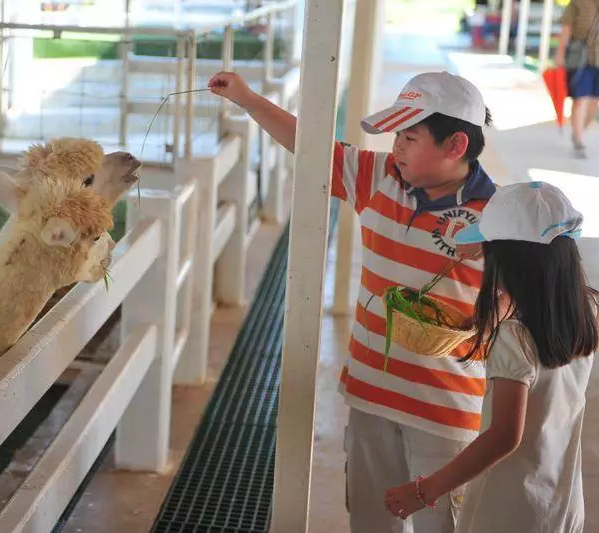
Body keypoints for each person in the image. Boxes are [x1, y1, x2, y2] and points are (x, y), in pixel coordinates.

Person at [208, 70, 496, 532]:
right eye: (396, 134)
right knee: (370, 519)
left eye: (410, 136)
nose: (396, 146)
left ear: (456, 145)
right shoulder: (377, 178)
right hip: (370, 391)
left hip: (446, 408)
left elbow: (519, 313)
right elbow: (311, 144)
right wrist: (248, 99)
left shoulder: (499, 219)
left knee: (443, 524)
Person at [384, 181, 597, 532]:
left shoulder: (515, 337)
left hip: (507, 511)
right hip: (561, 505)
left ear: (509, 265)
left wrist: (424, 491)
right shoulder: (586, 309)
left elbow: (503, 435)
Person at [554, 0, 599, 159]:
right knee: (580, 99)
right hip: (582, 59)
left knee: (595, 103)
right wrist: (559, 55)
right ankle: (579, 139)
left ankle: (580, 130)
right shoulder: (578, 3)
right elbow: (567, 29)